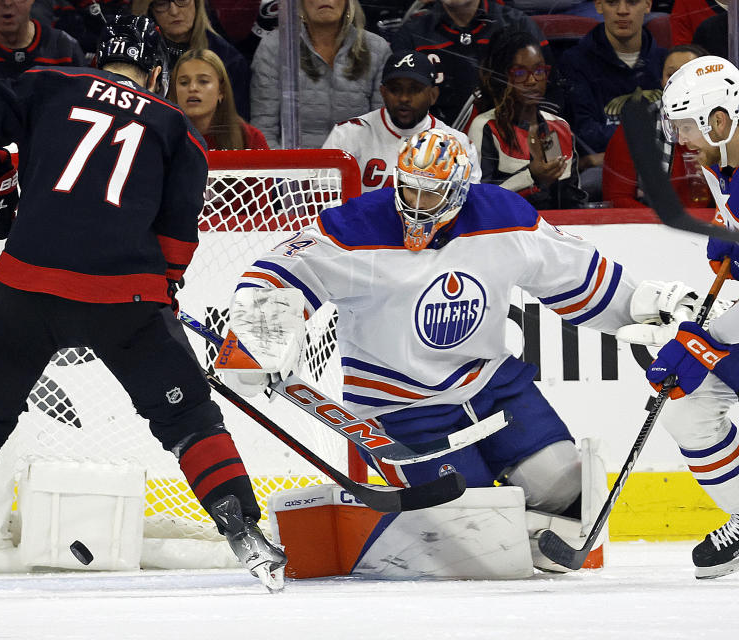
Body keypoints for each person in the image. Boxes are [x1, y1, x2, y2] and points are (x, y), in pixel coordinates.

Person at [0, 14, 288, 592]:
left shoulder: (49, 82)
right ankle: (248, 538)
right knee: (188, 419)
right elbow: (178, 241)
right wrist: (164, 292)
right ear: (157, 73)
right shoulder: (177, 130)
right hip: (124, 298)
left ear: (96, 61)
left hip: (26, 286)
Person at [221, 128, 701, 571]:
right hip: (401, 407)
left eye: (430, 192)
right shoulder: (357, 228)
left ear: (460, 190)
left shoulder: (502, 217)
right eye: (408, 187)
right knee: (474, 524)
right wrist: (260, 334)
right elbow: (279, 270)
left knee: (562, 482)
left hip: (492, 385)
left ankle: (533, 539)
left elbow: (578, 274)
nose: (415, 202)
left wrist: (641, 305)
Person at [619, 55, 739, 579]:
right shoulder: (724, 164)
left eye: (687, 124)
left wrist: (706, 348)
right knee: (685, 398)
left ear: (720, 118)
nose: (682, 137)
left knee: (695, 356)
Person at [322, 48, 480, 192]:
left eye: (414, 89)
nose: (404, 98)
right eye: (395, 89)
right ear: (383, 92)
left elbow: (467, 206)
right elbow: (323, 197)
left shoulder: (458, 144)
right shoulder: (347, 134)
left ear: (433, 95)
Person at [558, 0, 665, 201]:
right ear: (599, 5)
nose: (622, 11)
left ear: (649, 5)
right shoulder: (575, 62)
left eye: (632, 2)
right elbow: (587, 132)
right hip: (606, 170)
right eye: (612, 2)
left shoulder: (665, 61)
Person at [468, 30, 587, 210]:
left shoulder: (558, 127)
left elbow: (572, 199)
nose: (532, 81)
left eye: (539, 71)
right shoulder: (485, 127)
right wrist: (531, 177)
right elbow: (479, 201)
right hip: (505, 230)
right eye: (520, 73)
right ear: (502, 77)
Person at [390, 0, 549, 132]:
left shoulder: (519, 25)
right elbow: (399, 105)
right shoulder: (412, 33)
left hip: (510, 145)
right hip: (434, 151)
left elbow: (551, 95)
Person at [251, 0, 390, 149]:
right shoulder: (274, 47)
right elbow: (265, 129)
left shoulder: (377, 49)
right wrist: (289, 170)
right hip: (293, 166)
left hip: (359, 165)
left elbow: (382, 131)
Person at [602, 44, 711, 208]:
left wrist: (718, 176)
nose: (678, 82)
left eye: (688, 75)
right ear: (662, 82)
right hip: (653, 228)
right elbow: (617, 197)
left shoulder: (726, 127)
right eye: (671, 74)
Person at [132, 0, 251, 119]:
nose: (174, 11)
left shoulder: (229, 60)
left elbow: (235, 125)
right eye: (161, 3)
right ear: (150, 10)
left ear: (197, 4)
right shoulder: (136, 56)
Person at [168, 47, 268, 150]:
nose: (192, 88)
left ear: (221, 91)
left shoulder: (249, 138)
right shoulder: (160, 136)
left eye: (203, 81)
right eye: (184, 82)